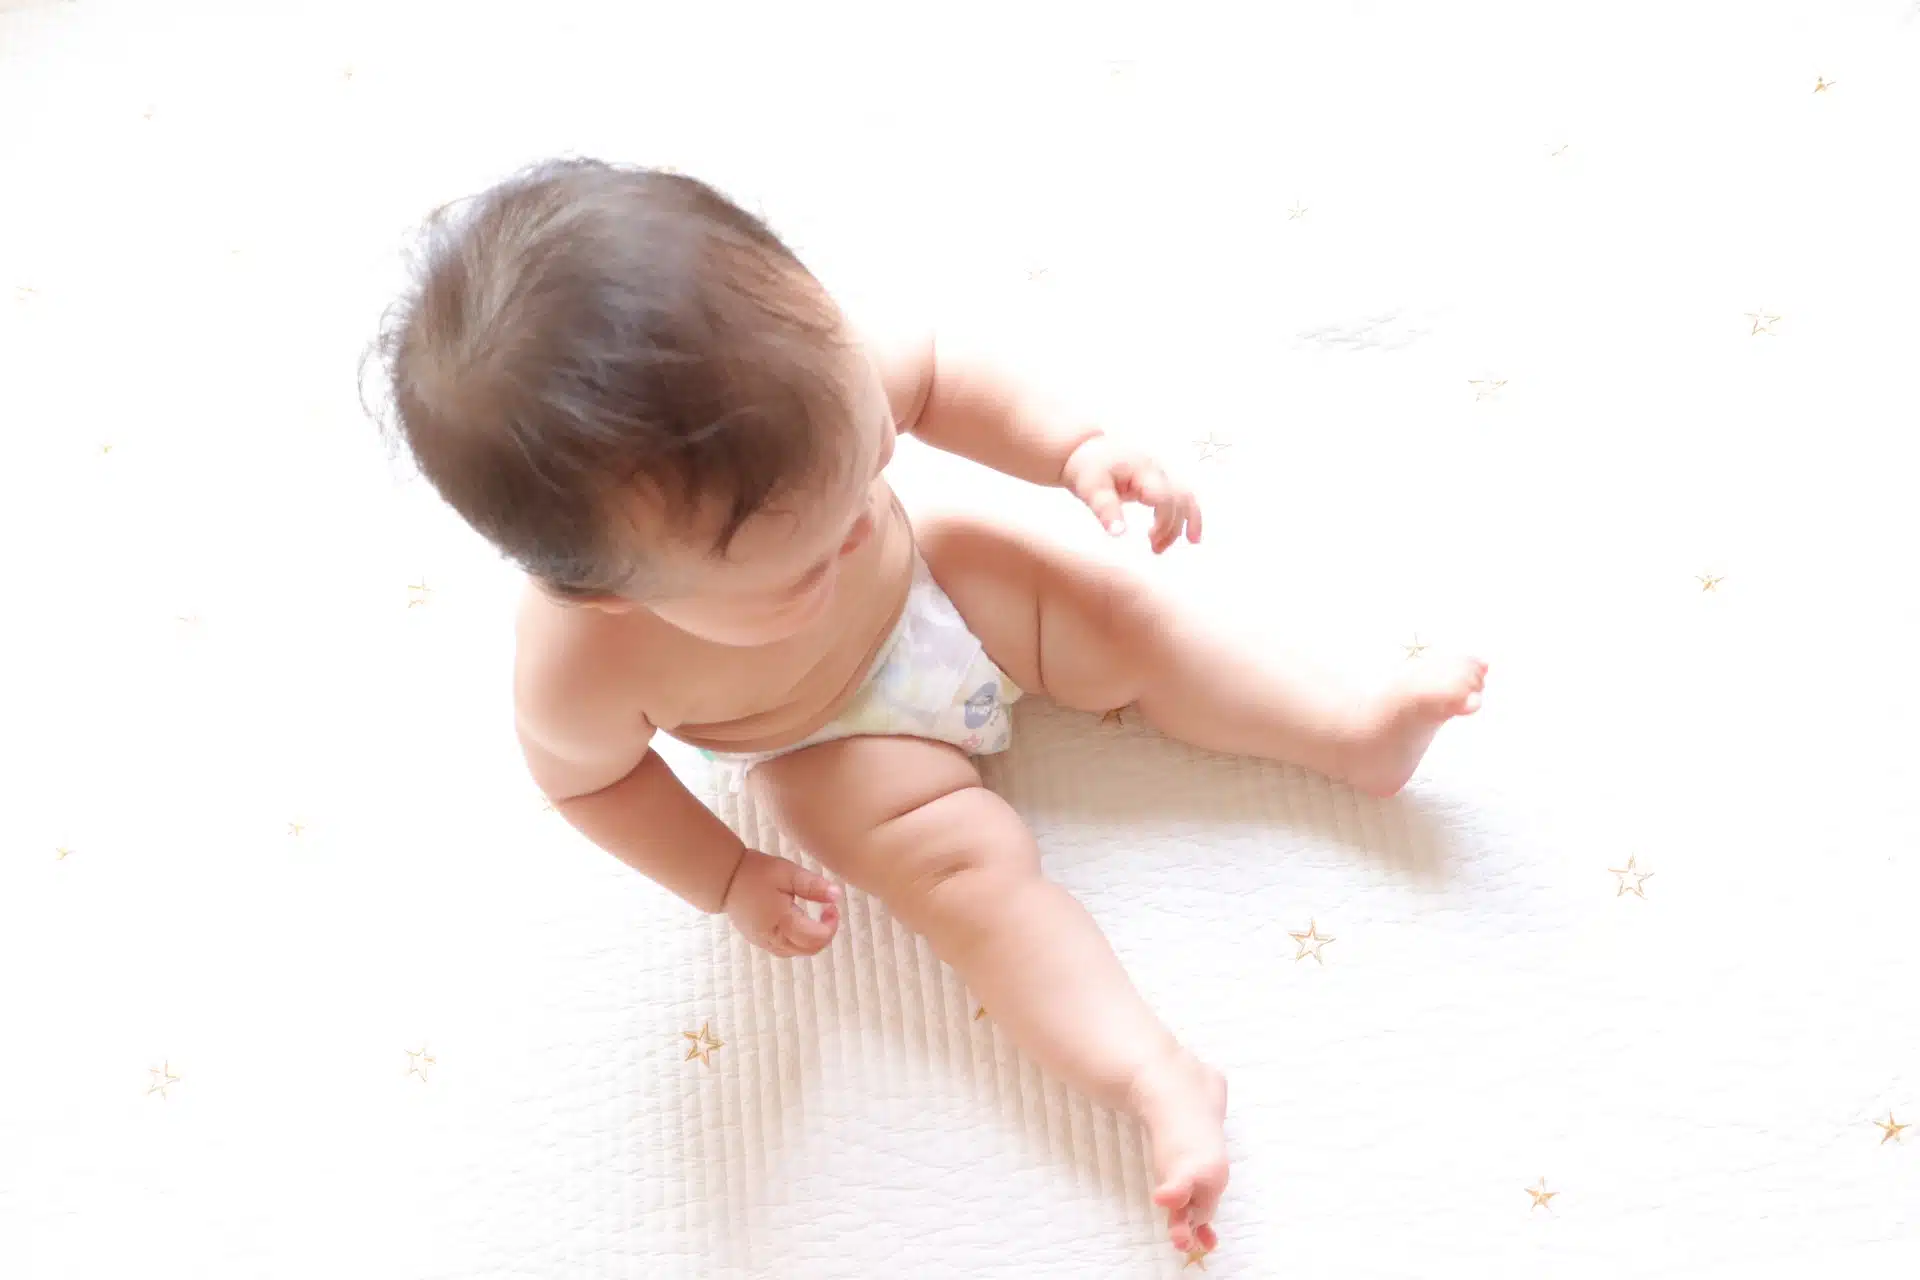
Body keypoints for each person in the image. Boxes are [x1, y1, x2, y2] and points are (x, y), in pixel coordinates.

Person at [376, 159, 1487, 1257]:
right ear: (612, 593)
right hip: (824, 742)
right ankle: (1152, 1073)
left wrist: (1074, 449)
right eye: (800, 567)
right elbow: (592, 783)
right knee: (969, 886)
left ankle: (1348, 731)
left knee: (1126, 624)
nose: (857, 525)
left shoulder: (806, 363)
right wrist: (726, 874)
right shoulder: (579, 666)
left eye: (865, 468)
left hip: (939, 586)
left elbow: (943, 378)